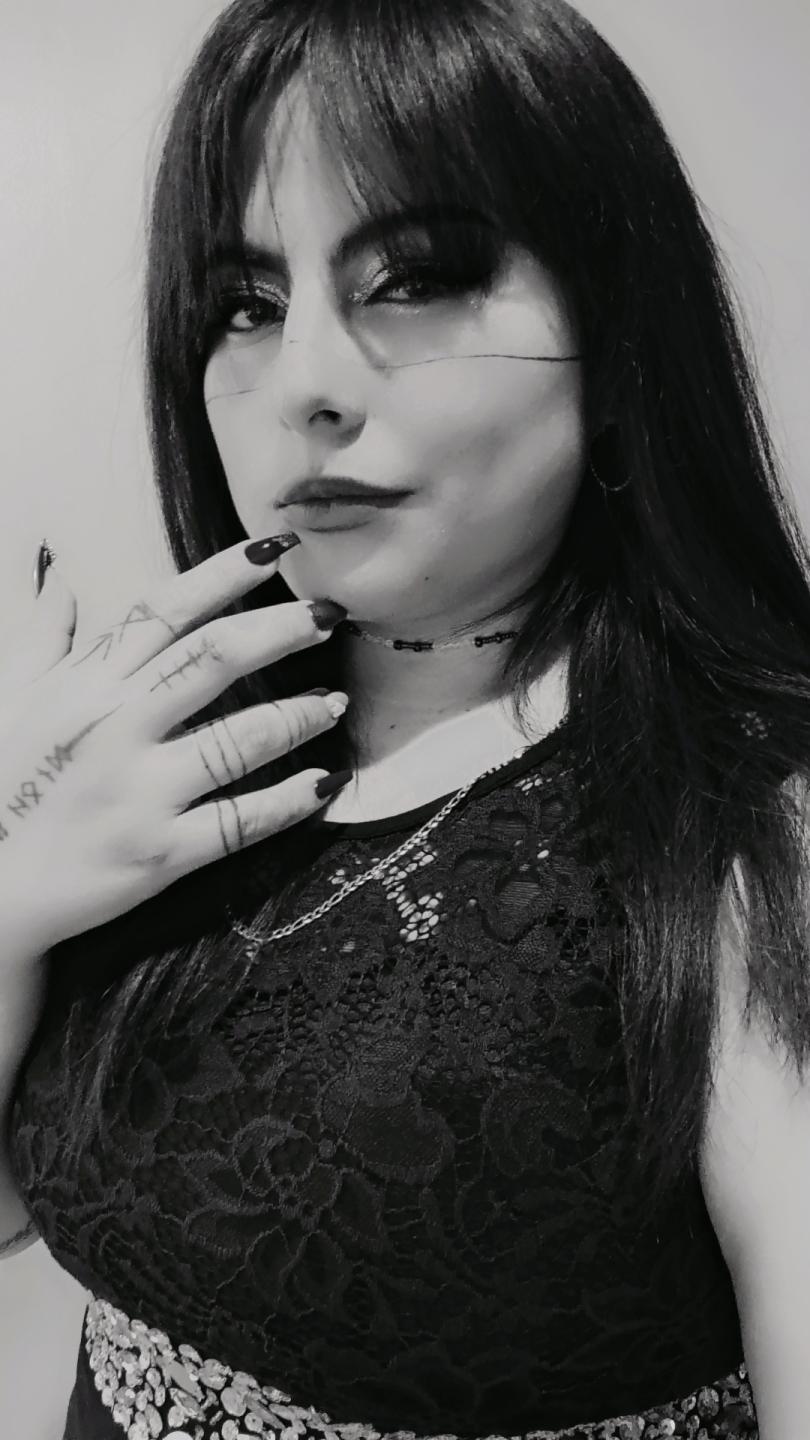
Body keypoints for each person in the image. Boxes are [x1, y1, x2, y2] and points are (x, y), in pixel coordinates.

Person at [2, 0, 810, 1436]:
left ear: (617, 333)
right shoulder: (179, 740)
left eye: (417, 277)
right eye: (245, 306)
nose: (302, 385)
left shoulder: (744, 828)